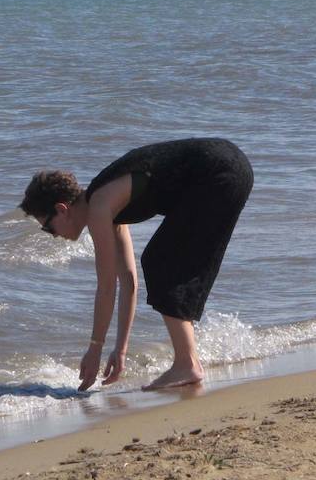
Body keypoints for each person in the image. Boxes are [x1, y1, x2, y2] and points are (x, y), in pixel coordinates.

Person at [20, 138, 253, 392]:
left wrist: (94, 348)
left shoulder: (99, 207)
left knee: (159, 259)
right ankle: (188, 361)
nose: (52, 234)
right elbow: (128, 281)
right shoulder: (106, 204)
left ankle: (187, 363)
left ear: (62, 209)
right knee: (163, 260)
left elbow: (106, 289)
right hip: (232, 168)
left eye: (47, 227)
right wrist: (120, 350)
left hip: (219, 172)